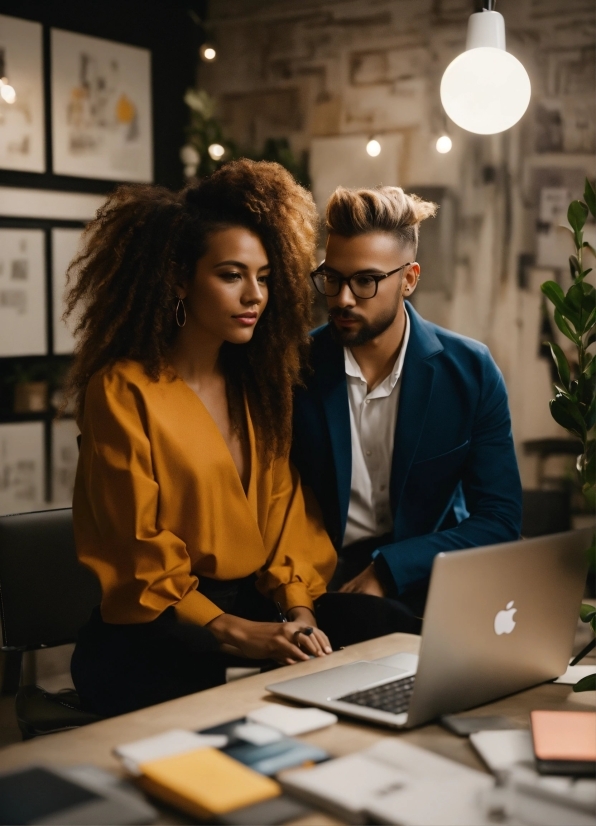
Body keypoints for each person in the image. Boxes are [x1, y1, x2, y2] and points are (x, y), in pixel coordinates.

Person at [292, 185, 522, 614]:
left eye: (365, 281)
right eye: (333, 278)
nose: (342, 298)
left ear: (409, 279)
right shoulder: (293, 370)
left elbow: (499, 519)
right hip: (317, 587)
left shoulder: (469, 371)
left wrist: (390, 570)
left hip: (429, 579)